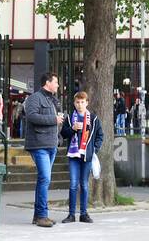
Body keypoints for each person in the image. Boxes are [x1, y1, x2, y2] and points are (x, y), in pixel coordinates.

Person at [23, 73, 64, 228]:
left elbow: (57, 121)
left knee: (44, 179)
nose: (58, 85)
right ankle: (41, 216)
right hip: (39, 145)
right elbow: (31, 116)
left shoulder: (53, 100)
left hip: (51, 144)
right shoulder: (35, 98)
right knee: (45, 179)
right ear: (47, 82)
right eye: (56, 82)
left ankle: (38, 215)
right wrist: (53, 120)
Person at [60, 91, 103, 224]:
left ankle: (84, 214)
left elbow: (100, 136)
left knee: (84, 185)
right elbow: (63, 133)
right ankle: (71, 214)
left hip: (86, 156)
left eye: (82, 102)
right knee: (73, 184)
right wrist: (72, 128)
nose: (80, 105)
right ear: (74, 103)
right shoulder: (69, 118)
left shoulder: (94, 118)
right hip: (73, 155)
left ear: (87, 103)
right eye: (77, 102)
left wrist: (93, 149)